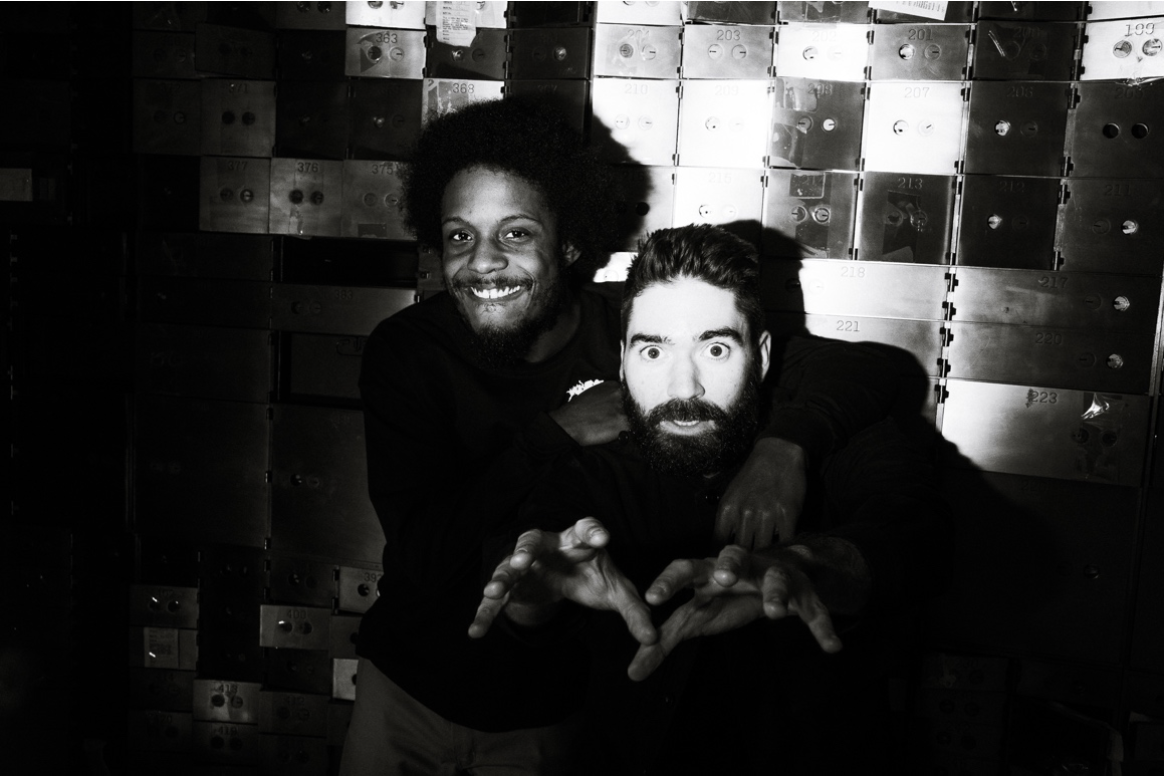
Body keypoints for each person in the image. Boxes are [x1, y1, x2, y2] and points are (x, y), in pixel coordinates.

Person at [342, 98, 901, 774]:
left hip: (558, 712)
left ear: (570, 240)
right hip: (411, 691)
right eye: (460, 236)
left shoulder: (637, 338)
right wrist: (557, 434)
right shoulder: (409, 351)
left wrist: (785, 447)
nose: (483, 263)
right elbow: (425, 554)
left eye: (515, 234)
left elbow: (863, 369)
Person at [472, 224, 953, 774]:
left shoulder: (841, 445)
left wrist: (805, 565)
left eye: (717, 348)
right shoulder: (592, 474)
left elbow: (920, 535)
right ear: (623, 366)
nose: (684, 388)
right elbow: (529, 571)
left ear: (763, 358)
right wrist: (534, 594)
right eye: (653, 351)